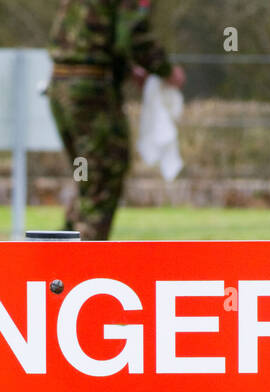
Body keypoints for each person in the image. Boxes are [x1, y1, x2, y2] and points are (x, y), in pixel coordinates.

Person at [47, 0, 186, 241]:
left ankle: (63, 254)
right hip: (92, 88)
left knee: (89, 180)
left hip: (61, 83)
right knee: (104, 176)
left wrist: (128, 69)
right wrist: (164, 69)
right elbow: (131, 33)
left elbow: (96, 33)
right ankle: (83, 263)